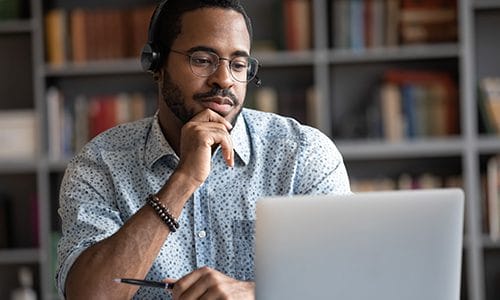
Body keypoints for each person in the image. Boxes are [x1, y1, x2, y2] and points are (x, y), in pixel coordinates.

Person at [56, 0, 351, 299]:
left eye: (238, 65)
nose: (223, 80)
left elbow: (350, 280)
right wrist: (182, 181)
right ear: (156, 64)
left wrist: (255, 294)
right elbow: (91, 295)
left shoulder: (303, 154)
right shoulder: (100, 164)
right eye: (202, 60)